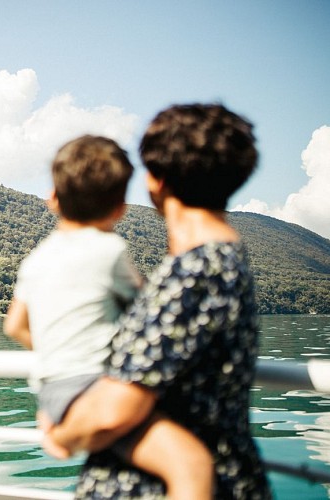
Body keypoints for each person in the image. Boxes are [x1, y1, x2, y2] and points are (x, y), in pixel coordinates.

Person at [45, 104, 272, 498]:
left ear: (157, 179)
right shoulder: (219, 262)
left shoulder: (197, 272)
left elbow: (114, 411)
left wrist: (59, 433)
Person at [4, 135, 212, 500]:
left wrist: (57, 349)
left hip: (54, 391)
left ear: (53, 198)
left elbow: (15, 325)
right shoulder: (110, 250)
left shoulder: (36, 260)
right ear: (120, 208)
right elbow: (149, 309)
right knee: (192, 465)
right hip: (97, 392)